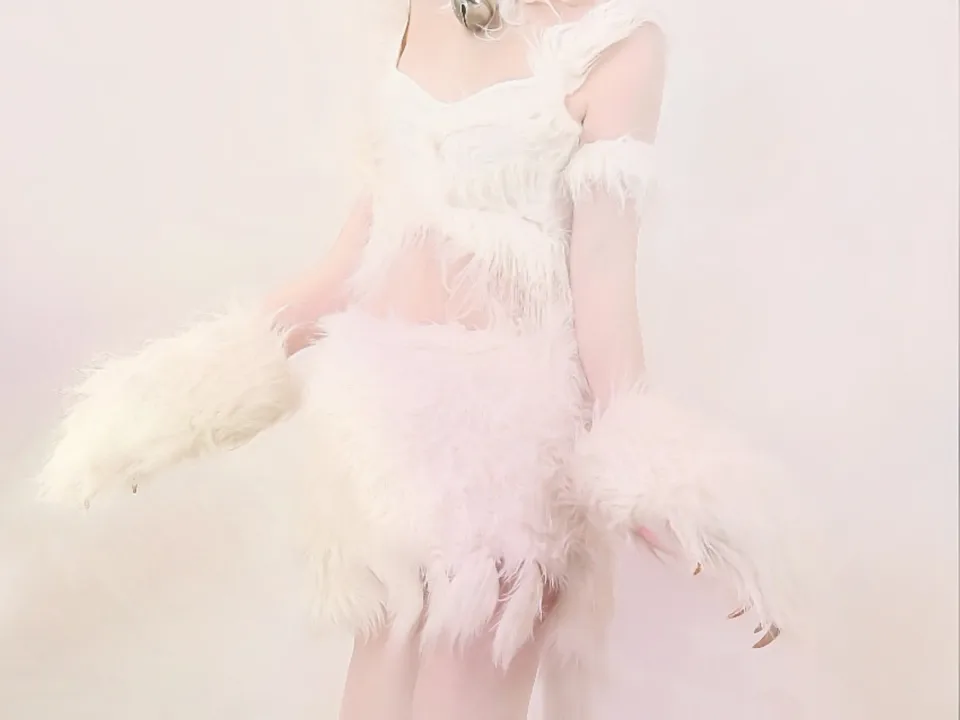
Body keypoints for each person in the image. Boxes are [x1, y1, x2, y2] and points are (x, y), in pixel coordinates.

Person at [34, 1, 797, 718]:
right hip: (387, 449)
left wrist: (669, 488)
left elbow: (602, 287)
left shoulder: (620, 47)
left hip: (510, 472)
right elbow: (354, 260)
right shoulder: (420, 11)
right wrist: (170, 400)